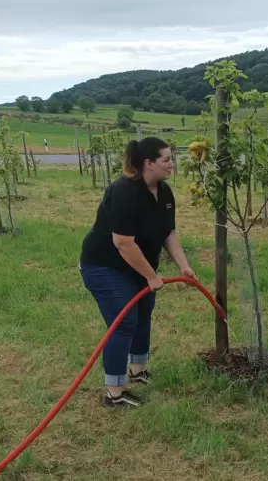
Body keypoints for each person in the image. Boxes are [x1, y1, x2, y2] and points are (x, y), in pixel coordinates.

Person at [79, 137, 196, 408]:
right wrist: (152, 276)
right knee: (123, 323)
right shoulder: (124, 192)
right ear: (148, 163)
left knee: (143, 313)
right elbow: (123, 242)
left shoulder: (164, 193)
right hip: (105, 266)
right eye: (166, 159)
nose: (171, 165)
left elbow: (169, 232)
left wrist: (183, 265)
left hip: (136, 267)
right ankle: (114, 393)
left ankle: (138, 371)